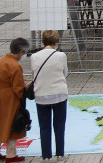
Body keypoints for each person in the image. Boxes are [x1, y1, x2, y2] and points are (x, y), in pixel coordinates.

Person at [30, 30, 69, 161]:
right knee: (59, 126)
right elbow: (65, 73)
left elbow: (34, 73)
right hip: (59, 94)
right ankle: (60, 153)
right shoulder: (61, 55)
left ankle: (46, 155)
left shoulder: (34, 57)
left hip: (41, 94)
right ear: (56, 42)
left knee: (44, 127)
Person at [0, 37, 30, 162]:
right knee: (13, 123)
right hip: (11, 98)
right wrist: (28, 86)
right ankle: (11, 154)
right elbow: (18, 89)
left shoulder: (1, 60)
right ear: (21, 52)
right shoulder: (15, 66)